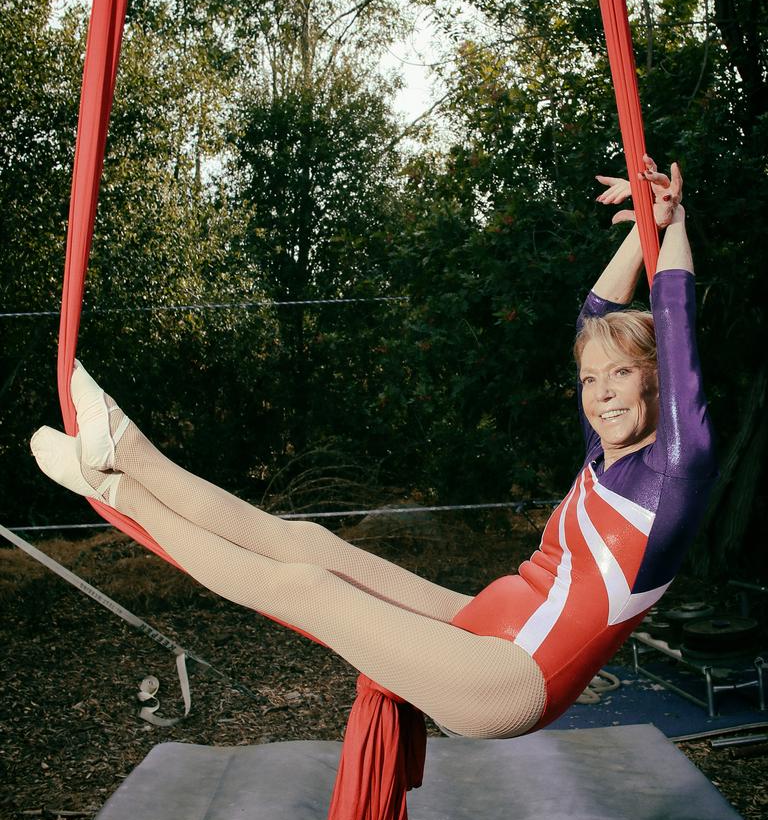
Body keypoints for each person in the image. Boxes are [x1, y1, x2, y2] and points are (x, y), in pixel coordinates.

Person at [30, 157, 717, 737]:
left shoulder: (674, 473)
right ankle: (121, 456)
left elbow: (678, 327)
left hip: (508, 682)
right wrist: (642, 232)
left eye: (623, 374)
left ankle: (113, 481)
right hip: (481, 623)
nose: (600, 393)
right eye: (591, 379)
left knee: (305, 586)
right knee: (308, 542)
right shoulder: (604, 449)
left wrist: (676, 226)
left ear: (658, 382)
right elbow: (594, 322)